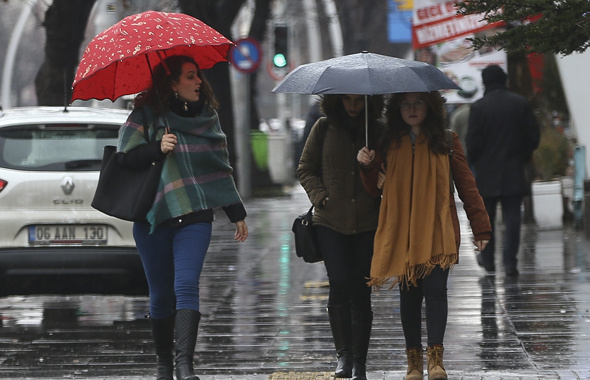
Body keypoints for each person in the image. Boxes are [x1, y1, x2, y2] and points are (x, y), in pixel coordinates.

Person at [117, 55, 249, 380]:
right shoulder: (145, 115)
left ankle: (184, 364)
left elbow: (219, 167)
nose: (198, 82)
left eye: (197, 76)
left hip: (195, 215)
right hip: (153, 216)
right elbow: (124, 159)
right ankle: (164, 364)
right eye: (190, 77)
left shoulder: (208, 118)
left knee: (187, 284)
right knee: (161, 294)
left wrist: (236, 213)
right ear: (172, 83)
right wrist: (156, 147)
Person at [357, 91, 491, 380]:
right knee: (409, 294)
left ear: (430, 106)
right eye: (405, 103)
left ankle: (436, 361)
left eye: (418, 102)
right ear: (397, 109)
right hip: (403, 230)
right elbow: (374, 188)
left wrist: (480, 226)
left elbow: (467, 184)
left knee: (436, 290)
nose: (412, 109)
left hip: (437, 227)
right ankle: (413, 363)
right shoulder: (388, 142)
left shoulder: (446, 139)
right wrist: (367, 166)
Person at [297, 94, 384, 380]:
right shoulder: (323, 127)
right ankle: (343, 355)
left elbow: (392, 173)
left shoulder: (378, 130)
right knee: (339, 281)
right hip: (329, 222)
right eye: (347, 99)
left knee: (361, 288)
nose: (353, 105)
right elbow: (305, 168)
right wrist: (321, 198)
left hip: (368, 223)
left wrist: (375, 169)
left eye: (359, 100)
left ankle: (360, 361)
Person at [466, 65, 540, 276]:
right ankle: (510, 263)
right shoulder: (520, 103)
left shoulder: (479, 107)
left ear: (484, 83)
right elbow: (533, 136)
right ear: (505, 80)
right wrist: (522, 157)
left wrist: (477, 164)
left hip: (487, 172)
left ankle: (488, 259)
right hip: (514, 169)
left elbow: (472, 143)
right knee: (513, 218)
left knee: (486, 219)